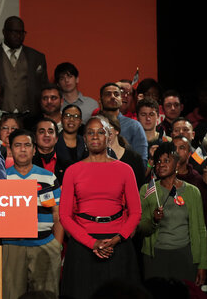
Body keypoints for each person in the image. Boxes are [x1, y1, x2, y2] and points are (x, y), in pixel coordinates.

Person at [59, 115, 142, 299]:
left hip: (118, 245)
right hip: (83, 246)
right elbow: (64, 216)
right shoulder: (73, 171)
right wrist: (92, 243)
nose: (95, 136)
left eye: (100, 132)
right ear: (85, 138)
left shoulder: (125, 169)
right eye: (90, 133)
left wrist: (117, 238)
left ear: (109, 136)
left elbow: (136, 212)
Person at [2, 129, 63, 299]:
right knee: (10, 295)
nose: (23, 149)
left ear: (34, 149)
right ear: (10, 149)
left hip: (44, 245)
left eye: (27, 145)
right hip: (11, 247)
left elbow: (58, 214)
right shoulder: (0, 178)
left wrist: (56, 246)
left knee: (47, 295)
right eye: (18, 145)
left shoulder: (48, 178)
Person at [137, 142, 207, 287]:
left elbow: (200, 230)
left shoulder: (192, 192)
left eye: (166, 161)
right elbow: (141, 228)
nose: (161, 165)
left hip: (184, 256)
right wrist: (154, 220)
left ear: (176, 165)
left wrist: (202, 265)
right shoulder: (147, 190)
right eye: (158, 162)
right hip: (155, 257)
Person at [0, 16, 48, 114]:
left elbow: (44, 88)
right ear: (4, 32)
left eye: (21, 33)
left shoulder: (36, 57)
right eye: (14, 32)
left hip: (30, 117)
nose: (18, 36)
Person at [99, 82, 148, 166]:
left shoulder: (134, 126)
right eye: (108, 94)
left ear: (121, 100)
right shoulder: (94, 124)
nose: (113, 97)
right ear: (100, 100)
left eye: (116, 94)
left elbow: (141, 161)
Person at [104, 114, 145, 188]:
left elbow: (139, 187)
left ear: (116, 130)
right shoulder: (95, 158)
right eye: (100, 130)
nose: (105, 132)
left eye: (107, 127)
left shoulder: (134, 158)